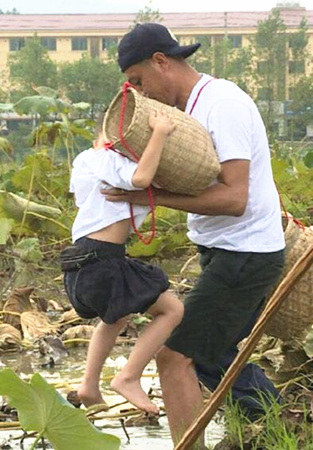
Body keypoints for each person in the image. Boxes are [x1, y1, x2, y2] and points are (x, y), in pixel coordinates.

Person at [104, 23, 286, 448]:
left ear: (161, 62)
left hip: (245, 255)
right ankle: (281, 426)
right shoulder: (186, 111)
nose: (140, 93)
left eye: (138, 81)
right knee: (214, 355)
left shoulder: (222, 103)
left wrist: (156, 198)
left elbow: (234, 197)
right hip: (226, 250)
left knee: (174, 357)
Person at [62, 109, 184, 415]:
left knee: (115, 318)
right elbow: (141, 177)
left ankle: (89, 385)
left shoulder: (86, 161)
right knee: (172, 309)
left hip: (84, 262)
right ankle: (129, 376)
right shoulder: (107, 158)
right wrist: (159, 132)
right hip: (101, 260)